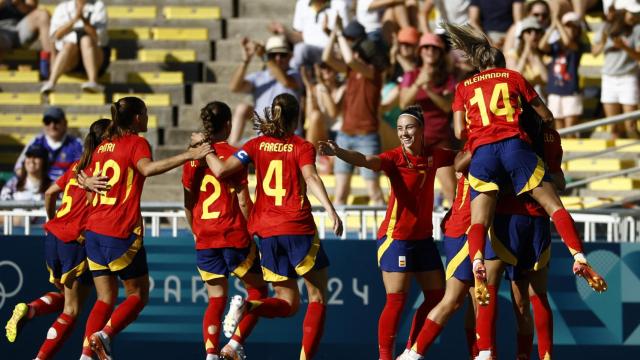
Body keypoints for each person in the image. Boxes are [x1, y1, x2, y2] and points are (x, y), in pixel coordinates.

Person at [442, 22, 607, 360]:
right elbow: (548, 121)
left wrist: (478, 135)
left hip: (495, 197)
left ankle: (485, 350)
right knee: (533, 294)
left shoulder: (464, 87)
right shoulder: (517, 83)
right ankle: (578, 256)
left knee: (482, 246)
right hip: (529, 205)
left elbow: (459, 139)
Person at [195, 93, 342, 360]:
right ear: (297, 117)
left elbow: (221, 169)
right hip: (297, 228)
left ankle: (248, 307)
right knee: (317, 297)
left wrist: (206, 148)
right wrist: (330, 209)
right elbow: (310, 176)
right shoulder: (302, 146)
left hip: (267, 233)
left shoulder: (255, 145)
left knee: (288, 303)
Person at [79, 97, 211, 360]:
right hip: (120, 231)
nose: (148, 118)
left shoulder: (103, 146)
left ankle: (85, 355)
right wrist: (189, 154)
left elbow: (86, 184)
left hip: (93, 231)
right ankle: (103, 336)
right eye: (146, 113)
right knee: (138, 295)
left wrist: (82, 180)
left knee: (105, 298)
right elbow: (148, 169)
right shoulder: (136, 142)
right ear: (138, 118)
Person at [320, 106, 452, 360]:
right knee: (397, 300)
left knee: (437, 297)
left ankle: (411, 352)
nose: (403, 133)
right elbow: (365, 160)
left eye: (409, 127)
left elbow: (464, 155)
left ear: (422, 129)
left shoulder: (434, 155)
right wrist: (339, 153)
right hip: (397, 238)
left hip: (424, 239)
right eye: (400, 128)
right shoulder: (395, 158)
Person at [4, 119, 110, 360]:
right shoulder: (105, 169)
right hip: (74, 241)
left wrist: (53, 219)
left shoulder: (77, 165)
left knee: (67, 299)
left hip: (54, 235)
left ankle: (31, 310)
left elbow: (50, 192)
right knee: (72, 310)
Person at [182, 101, 268, 360]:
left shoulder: (193, 159)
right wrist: (252, 229)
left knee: (216, 298)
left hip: (205, 236)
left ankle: (210, 353)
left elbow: (188, 200)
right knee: (258, 292)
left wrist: (195, 230)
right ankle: (234, 344)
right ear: (229, 124)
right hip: (233, 234)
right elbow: (243, 200)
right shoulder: (235, 155)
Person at [396, 149, 479, 360]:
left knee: (478, 301)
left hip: (478, 231)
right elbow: (459, 164)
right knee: (452, 300)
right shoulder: (475, 147)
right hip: (463, 232)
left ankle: (478, 355)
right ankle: (413, 354)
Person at [322, 19, 386, 205]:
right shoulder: (353, 70)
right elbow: (327, 58)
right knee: (341, 193)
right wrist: (334, 33)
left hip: (366, 137)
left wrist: (340, 33)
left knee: (374, 192)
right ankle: (338, 235)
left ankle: (384, 233)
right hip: (345, 135)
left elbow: (349, 59)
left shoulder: (373, 72)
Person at [399, 32, 457, 205]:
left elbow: (448, 106)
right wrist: (418, 83)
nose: (430, 51)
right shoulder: (411, 75)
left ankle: (455, 231)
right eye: (426, 47)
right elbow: (403, 102)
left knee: (452, 192)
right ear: (420, 52)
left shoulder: (447, 78)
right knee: (410, 193)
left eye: (434, 48)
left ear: (440, 52)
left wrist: (428, 88)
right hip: (414, 143)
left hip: (440, 141)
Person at [228, 35, 302, 145]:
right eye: (273, 55)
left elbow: (286, 82)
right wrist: (245, 61)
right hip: (264, 134)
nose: (278, 58)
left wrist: (265, 56)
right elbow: (234, 87)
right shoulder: (258, 76)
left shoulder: (295, 74)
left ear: (290, 56)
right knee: (242, 108)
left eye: (282, 54)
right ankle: (231, 147)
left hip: (288, 137)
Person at [592, 2, 640, 138]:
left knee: (631, 126)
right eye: (632, 13)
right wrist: (602, 42)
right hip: (609, 79)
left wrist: (624, 47)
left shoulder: (637, 29)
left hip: (628, 77)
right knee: (613, 128)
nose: (635, 16)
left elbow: (639, 56)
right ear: (622, 12)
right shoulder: (606, 27)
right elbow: (594, 52)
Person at [41, 0, 109, 94]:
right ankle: (52, 81)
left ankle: (93, 81)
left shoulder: (98, 6)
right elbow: (54, 36)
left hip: (95, 56)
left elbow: (99, 38)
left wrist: (83, 20)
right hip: (71, 58)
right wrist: (75, 20)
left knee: (86, 41)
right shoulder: (62, 8)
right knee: (70, 44)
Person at [540, 11, 589, 132]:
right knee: (558, 130)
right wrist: (553, 27)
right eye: (568, 26)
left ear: (578, 30)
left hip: (571, 91)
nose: (571, 30)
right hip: (554, 91)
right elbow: (542, 46)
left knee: (571, 128)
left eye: (574, 27)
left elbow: (567, 42)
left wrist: (558, 23)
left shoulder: (579, 45)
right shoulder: (556, 45)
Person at [269, 0, 349, 69]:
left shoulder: (340, 4)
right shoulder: (302, 4)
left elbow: (347, 41)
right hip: (306, 53)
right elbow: (301, 38)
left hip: (332, 52)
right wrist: (284, 32)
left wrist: (328, 32)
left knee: (300, 51)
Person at [14, 106, 83, 182]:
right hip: (40, 188)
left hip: (67, 189)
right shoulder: (36, 141)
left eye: (56, 121)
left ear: (65, 123)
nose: (52, 125)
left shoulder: (77, 144)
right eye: (47, 121)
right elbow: (19, 168)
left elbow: (86, 171)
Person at [0, 0, 54, 78]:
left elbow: (31, 8)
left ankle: (50, 64)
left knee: (43, 15)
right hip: (2, 31)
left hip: (20, 27)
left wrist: (19, 3)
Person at [506, 16, 548, 93]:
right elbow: (515, 79)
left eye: (537, 31)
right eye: (529, 31)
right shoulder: (513, 54)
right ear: (522, 35)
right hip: (521, 96)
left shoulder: (545, 55)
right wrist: (526, 52)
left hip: (540, 97)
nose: (533, 35)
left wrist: (535, 55)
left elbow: (546, 79)